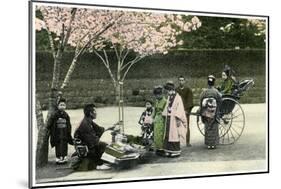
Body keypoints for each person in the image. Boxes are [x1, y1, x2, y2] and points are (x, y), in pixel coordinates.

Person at [73, 104, 111, 170]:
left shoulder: (88, 121)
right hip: (85, 149)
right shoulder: (85, 125)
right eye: (95, 111)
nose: (96, 113)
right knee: (103, 145)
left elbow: (99, 129)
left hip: (88, 145)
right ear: (91, 113)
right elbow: (93, 142)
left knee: (104, 145)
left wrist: (110, 128)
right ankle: (97, 164)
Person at [162, 81, 187, 157]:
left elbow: (180, 108)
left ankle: (175, 151)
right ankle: (168, 150)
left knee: (174, 134)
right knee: (168, 134)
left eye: (169, 90)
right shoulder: (169, 97)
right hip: (169, 117)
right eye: (167, 91)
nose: (168, 92)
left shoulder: (178, 97)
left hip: (174, 118)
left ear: (172, 90)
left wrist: (178, 118)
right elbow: (167, 106)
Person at [48, 98, 74, 164]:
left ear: (65, 106)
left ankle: (64, 157)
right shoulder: (55, 114)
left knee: (64, 145)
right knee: (58, 145)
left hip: (64, 132)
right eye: (61, 105)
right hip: (57, 132)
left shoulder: (66, 115)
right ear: (58, 106)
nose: (62, 106)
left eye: (63, 105)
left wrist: (68, 131)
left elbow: (68, 124)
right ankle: (58, 158)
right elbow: (51, 123)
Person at [199, 75, 222, 149]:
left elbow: (201, 100)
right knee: (214, 127)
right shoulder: (216, 91)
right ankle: (213, 144)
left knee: (208, 127)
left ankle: (209, 144)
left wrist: (202, 108)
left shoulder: (204, 92)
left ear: (207, 83)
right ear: (214, 83)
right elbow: (219, 100)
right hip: (214, 112)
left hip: (206, 112)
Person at [176, 75, 193, 147]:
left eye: (182, 80)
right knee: (177, 125)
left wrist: (187, 110)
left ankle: (187, 141)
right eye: (180, 80)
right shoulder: (176, 90)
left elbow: (190, 100)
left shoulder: (188, 89)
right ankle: (177, 141)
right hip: (178, 111)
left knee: (186, 125)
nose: (181, 82)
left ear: (185, 81)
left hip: (185, 110)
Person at [152, 86, 167, 155]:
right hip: (157, 119)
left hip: (162, 118)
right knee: (156, 133)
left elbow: (166, 111)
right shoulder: (157, 101)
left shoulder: (165, 101)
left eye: (159, 94)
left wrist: (162, 113)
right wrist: (152, 117)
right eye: (156, 95)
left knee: (161, 133)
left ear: (162, 94)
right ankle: (158, 148)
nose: (158, 96)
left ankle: (162, 148)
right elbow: (154, 110)